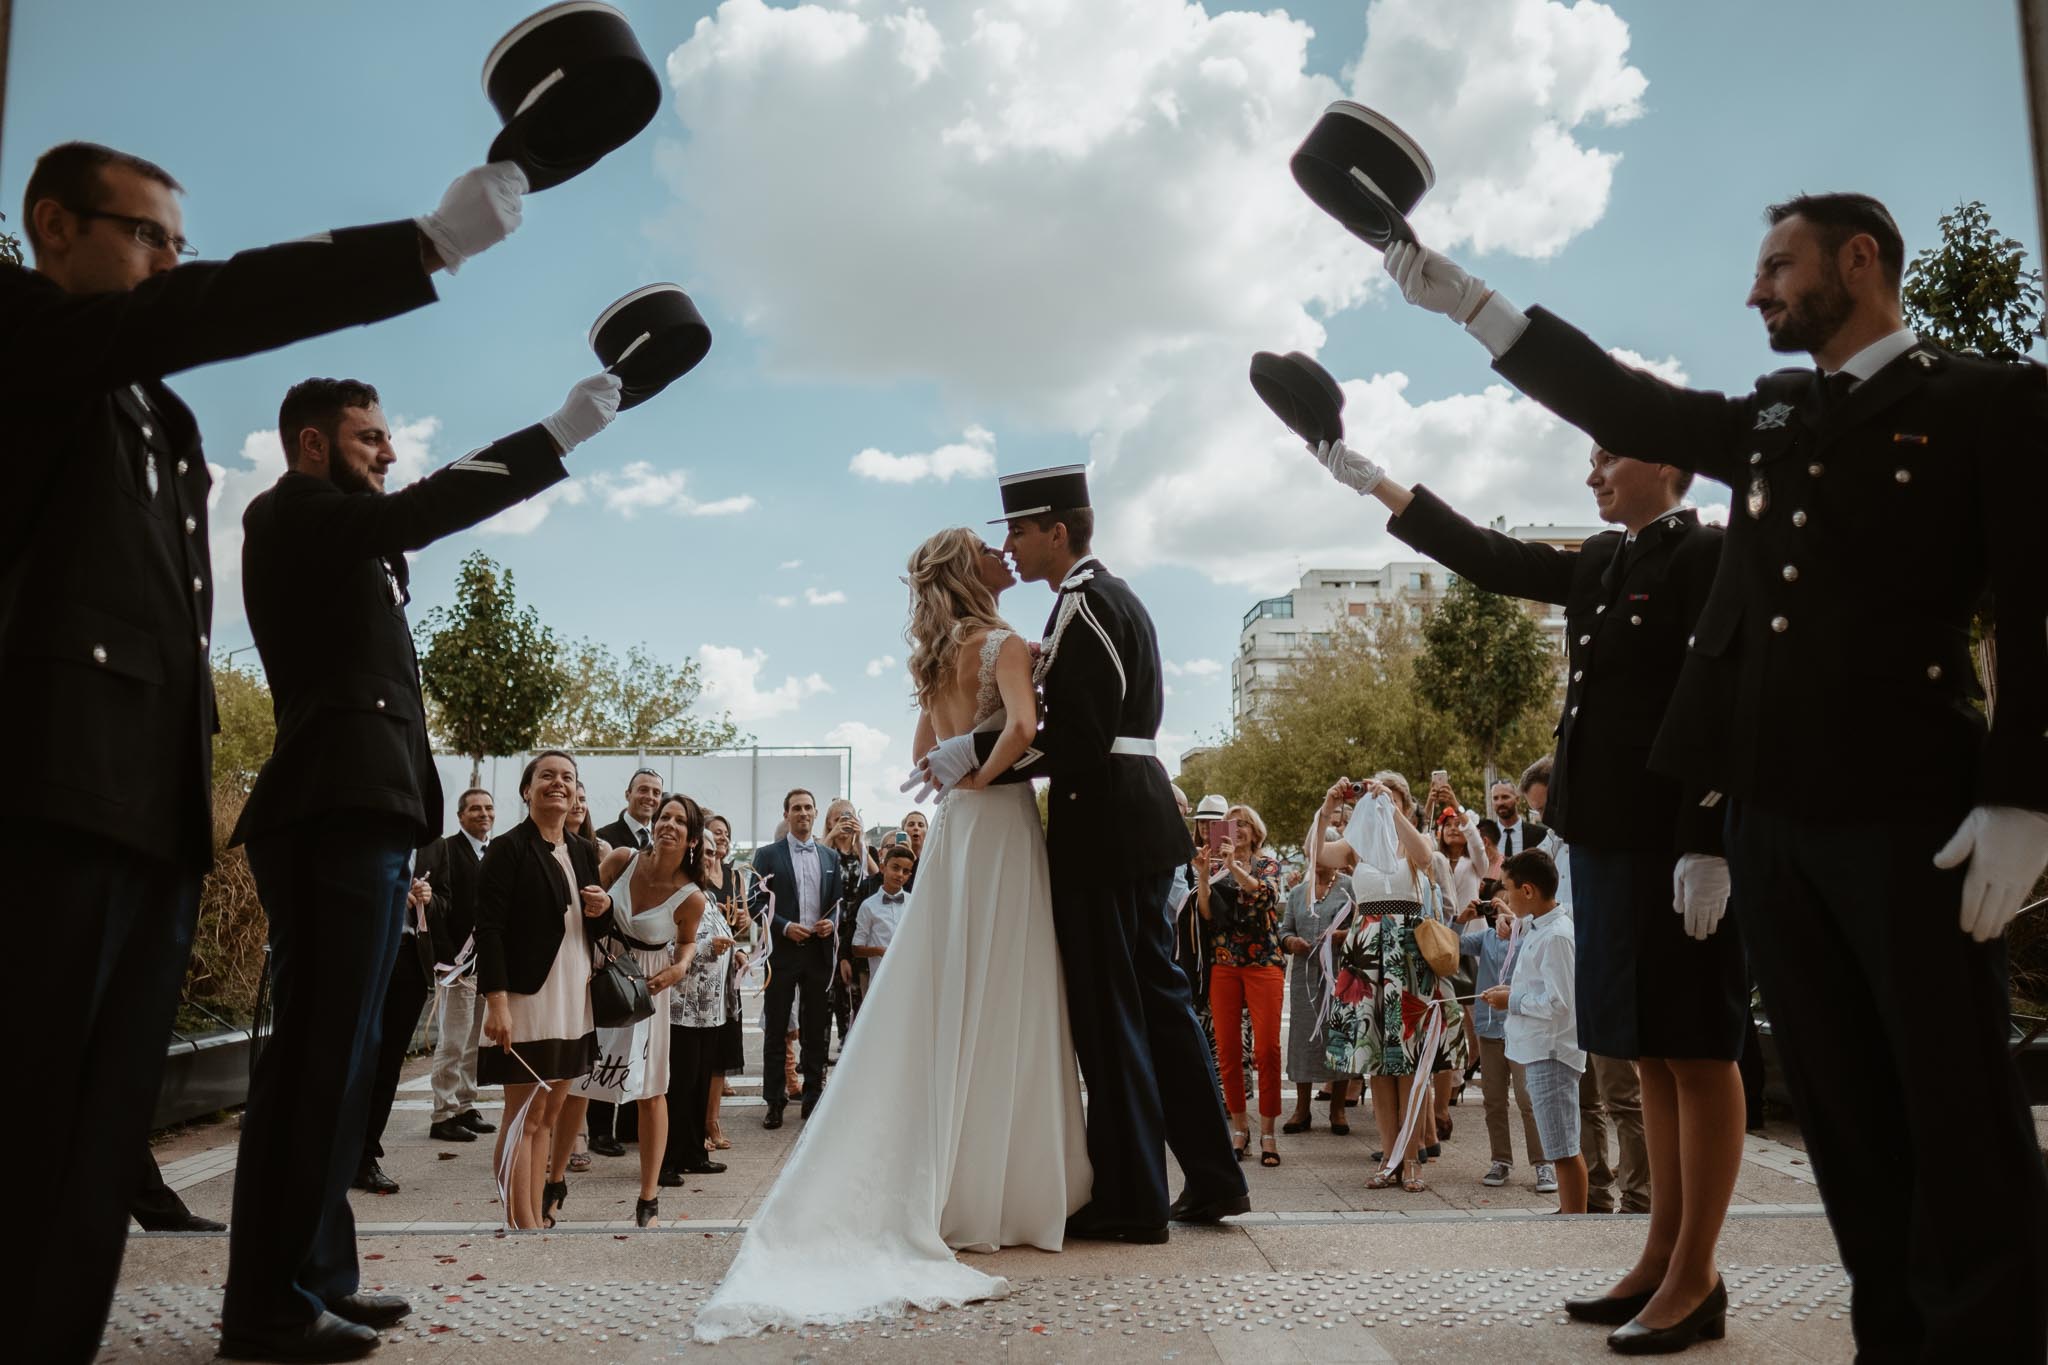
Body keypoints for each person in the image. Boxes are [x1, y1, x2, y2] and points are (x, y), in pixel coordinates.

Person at [1379, 192, 2048, 1353]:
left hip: (1910, 812)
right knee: (1842, 1120)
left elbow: (2038, 606)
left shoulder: (1984, 401)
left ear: (1859, 259)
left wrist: (2022, 792)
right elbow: (1629, 404)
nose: (1755, 293)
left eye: (1777, 267)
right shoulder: (1782, 414)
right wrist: (1469, 305)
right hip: (1772, 822)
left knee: (1954, 1110)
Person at [8, 140, 523, 1365]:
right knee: (42, 1118)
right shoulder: (35, 341)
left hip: (150, 805)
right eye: (147, 235)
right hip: (57, 790)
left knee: (101, 1140)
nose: (169, 265)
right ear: (53, 225)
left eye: (179, 247)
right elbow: (206, 318)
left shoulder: (152, 409)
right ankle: (270, 1293)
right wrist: (423, 247)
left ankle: (249, 1288)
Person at [222, 363, 615, 1358]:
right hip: (328, 816)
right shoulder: (290, 513)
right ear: (312, 445)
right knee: (314, 1065)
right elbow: (423, 511)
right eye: (368, 438)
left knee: (349, 1068)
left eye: (388, 437)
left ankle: (316, 1278)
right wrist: (554, 435)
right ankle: (267, 1305)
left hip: (370, 821)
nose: (389, 453)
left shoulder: (346, 539)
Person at [694, 527, 1089, 1339]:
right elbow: (1022, 729)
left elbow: (921, 757)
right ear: (965, 569)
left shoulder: (936, 663)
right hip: (1004, 826)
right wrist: (987, 770)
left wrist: (958, 776)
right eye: (986, 548)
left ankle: (950, 1182)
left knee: (951, 987)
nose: (999, 554)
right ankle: (1008, 1186)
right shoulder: (1007, 643)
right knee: (1008, 986)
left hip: (955, 834)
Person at [917, 467, 1248, 1240]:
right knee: (1162, 1007)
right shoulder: (1107, 597)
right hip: (1130, 819)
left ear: (1055, 532)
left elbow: (1080, 736)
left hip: (1103, 824)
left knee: (1112, 1016)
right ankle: (1213, 1175)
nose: (1011, 545)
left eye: (1020, 532)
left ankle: (1134, 1196)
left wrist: (972, 754)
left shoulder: (1086, 603)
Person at [473, 751, 612, 1230]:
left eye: (567, 778)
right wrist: (496, 1002)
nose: (558, 783)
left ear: (576, 792)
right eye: (546, 776)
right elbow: (488, 929)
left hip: (574, 996)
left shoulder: (581, 849)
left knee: (549, 1116)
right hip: (527, 999)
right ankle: (520, 1221)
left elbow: (595, 923)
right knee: (523, 1113)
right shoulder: (508, 849)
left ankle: (533, 1217)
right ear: (527, 790)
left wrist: (605, 905)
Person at [1314, 773, 1463, 1192]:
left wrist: (1392, 810)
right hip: (1365, 955)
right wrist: (1327, 810)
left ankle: (1411, 1158)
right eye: (1374, 795)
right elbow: (1319, 857)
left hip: (1408, 956)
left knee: (1410, 1062)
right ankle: (1387, 1156)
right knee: (1376, 1061)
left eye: (1392, 795)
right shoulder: (1357, 845)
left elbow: (1423, 854)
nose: (1379, 802)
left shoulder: (1415, 841)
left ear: (1404, 803)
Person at [576, 792, 707, 1225]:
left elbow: (686, 942)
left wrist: (680, 967)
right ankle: (555, 1178)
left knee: (651, 1088)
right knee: (580, 1078)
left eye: (680, 822)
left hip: (648, 982)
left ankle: (648, 1194)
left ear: (691, 838)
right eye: (664, 816)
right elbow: (582, 905)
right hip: (600, 969)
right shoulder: (621, 858)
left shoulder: (691, 896)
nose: (668, 824)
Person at [1480, 850, 1585, 1215]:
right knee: (1559, 1144)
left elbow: (1560, 1002)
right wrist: (1514, 920)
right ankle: (1568, 1211)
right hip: (1539, 1049)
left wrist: (1512, 999)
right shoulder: (1542, 924)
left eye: (1507, 891)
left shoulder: (1557, 936)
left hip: (1551, 1051)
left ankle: (1574, 1217)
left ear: (1527, 890)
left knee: (1563, 1147)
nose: (1505, 900)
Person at [1194, 802, 1285, 1167]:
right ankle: (1238, 1129)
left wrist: (1233, 866)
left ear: (1255, 830)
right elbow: (1206, 913)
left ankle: (1268, 1132)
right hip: (1225, 962)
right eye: (1232, 824)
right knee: (1228, 1050)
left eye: (1245, 823)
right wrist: (1204, 875)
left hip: (1264, 962)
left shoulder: (1267, 863)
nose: (1239, 829)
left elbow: (1266, 896)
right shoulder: (1215, 867)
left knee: (1268, 1050)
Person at [749, 788, 843, 1126]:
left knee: (816, 1029)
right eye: (796, 808)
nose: (803, 813)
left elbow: (838, 903)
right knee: (776, 1028)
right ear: (786, 814)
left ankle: (813, 1098)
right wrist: (784, 926)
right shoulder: (768, 855)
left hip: (817, 954)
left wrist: (830, 923)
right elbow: (754, 903)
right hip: (783, 952)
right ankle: (775, 1101)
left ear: (816, 813)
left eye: (808, 808)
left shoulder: (830, 858)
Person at [588, 769, 664, 1155]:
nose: (649, 797)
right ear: (628, 793)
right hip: (612, 955)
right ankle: (600, 1129)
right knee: (609, 1040)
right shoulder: (606, 839)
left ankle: (633, 1123)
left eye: (656, 792)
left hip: (650, 958)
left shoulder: (664, 844)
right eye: (643, 790)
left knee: (641, 1042)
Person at [351, 868, 437, 1193]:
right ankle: (330, 1153)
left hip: (408, 955)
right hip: (362, 951)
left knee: (388, 1067)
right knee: (351, 1060)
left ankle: (364, 1157)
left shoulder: (428, 847)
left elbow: (448, 903)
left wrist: (429, 898)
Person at [1459, 884, 1548, 1191]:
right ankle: (1501, 1160)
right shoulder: (1484, 939)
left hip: (1522, 1028)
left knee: (1528, 1100)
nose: (1501, 914)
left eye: (1508, 905)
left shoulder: (1531, 937)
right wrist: (1463, 916)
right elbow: (1448, 945)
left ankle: (1544, 1163)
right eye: (1497, 907)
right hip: (1489, 1028)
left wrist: (1514, 919)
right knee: (1494, 1100)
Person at [666, 799, 735, 1186]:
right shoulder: (678, 892)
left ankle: (695, 1152)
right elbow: (669, 946)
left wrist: (734, 955)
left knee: (697, 1087)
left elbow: (715, 939)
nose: (711, 858)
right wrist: (710, 949)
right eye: (705, 851)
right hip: (682, 1008)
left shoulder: (707, 895)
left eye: (714, 852)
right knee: (680, 1086)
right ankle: (670, 1159)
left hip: (710, 1010)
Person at [421, 789, 496, 1144]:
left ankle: (466, 1104)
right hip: (455, 963)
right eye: (476, 809)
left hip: (485, 961)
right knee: (452, 1040)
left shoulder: (492, 852)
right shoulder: (448, 849)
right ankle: (443, 1113)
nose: (484, 814)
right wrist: (447, 957)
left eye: (489, 808)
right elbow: (437, 905)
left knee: (473, 1041)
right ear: (461, 815)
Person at [1276, 862, 1352, 1135]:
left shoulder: (1350, 888)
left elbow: (1364, 927)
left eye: (1325, 852)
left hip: (1341, 975)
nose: (1319, 858)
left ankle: (1338, 1109)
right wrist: (1290, 942)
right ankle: (1302, 1109)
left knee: (1339, 1037)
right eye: (1315, 852)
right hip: (1304, 976)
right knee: (1303, 1038)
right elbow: (1283, 930)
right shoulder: (1298, 892)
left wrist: (1341, 936)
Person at [700, 814, 751, 1151]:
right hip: (700, 972)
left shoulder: (734, 875)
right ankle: (695, 1122)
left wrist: (743, 922)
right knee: (698, 1053)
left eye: (725, 833)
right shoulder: (694, 875)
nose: (721, 838)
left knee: (721, 1051)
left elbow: (741, 925)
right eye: (715, 833)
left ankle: (712, 1119)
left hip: (728, 969)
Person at [850, 844, 917, 1009]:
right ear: (882, 868)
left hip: (910, 978)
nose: (900, 874)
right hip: (880, 979)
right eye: (895, 868)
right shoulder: (868, 906)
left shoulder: (914, 903)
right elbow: (856, 948)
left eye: (906, 871)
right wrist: (880, 951)